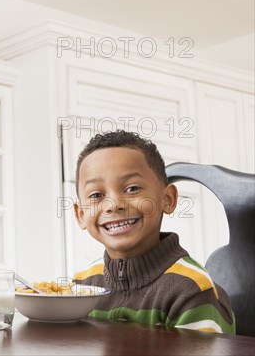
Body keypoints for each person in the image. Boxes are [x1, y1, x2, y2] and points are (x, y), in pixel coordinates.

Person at [72, 130, 235, 334]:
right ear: (80, 215)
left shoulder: (192, 290)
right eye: (96, 195)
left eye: (132, 189)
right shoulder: (80, 286)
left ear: (167, 199)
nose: (113, 205)